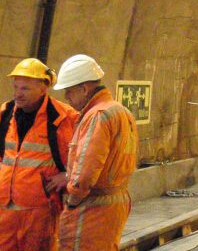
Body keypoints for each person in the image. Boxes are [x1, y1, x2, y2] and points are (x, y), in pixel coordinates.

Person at [0, 58, 78, 251]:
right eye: (16, 87)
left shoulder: (63, 116)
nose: (17, 94)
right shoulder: (5, 112)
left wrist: (67, 176)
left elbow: (85, 152)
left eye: (25, 89)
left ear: (43, 88)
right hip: (6, 206)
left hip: (40, 209)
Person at [52, 55, 138, 250]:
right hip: (115, 202)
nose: (66, 96)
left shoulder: (97, 116)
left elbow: (86, 171)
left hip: (92, 208)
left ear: (84, 89)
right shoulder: (120, 111)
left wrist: (73, 201)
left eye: (69, 91)